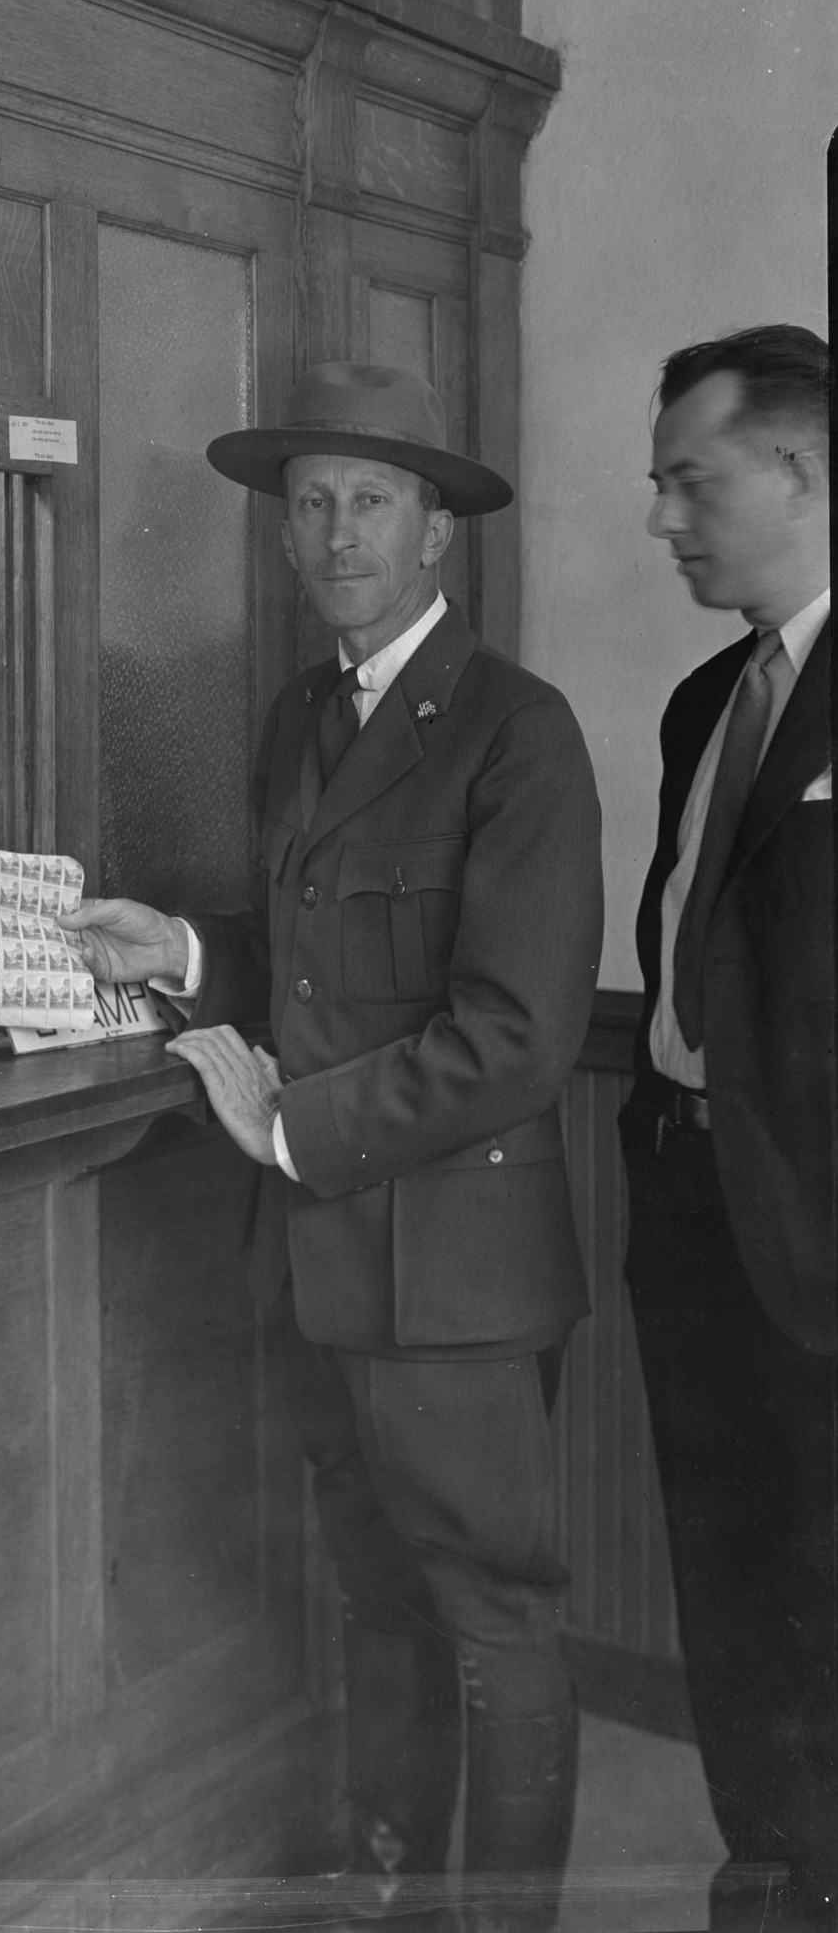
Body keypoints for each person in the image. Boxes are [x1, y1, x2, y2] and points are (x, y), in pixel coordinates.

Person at [62, 364, 604, 1929]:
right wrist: (173, 945)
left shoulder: (518, 733)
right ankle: (390, 1898)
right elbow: (309, 965)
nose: (337, 530)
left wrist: (289, 1123)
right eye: (312, 505)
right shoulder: (309, 712)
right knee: (381, 1599)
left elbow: (515, 1034)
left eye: (372, 500)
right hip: (326, 1262)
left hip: (457, 1275)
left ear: (440, 534)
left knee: (492, 1620)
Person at [618, 326, 834, 1932]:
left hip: (823, 1220)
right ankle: (766, 1857)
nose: (666, 521)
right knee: (726, 1554)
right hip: (688, 1191)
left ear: (804, 473)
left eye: (693, 482)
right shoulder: (710, 699)